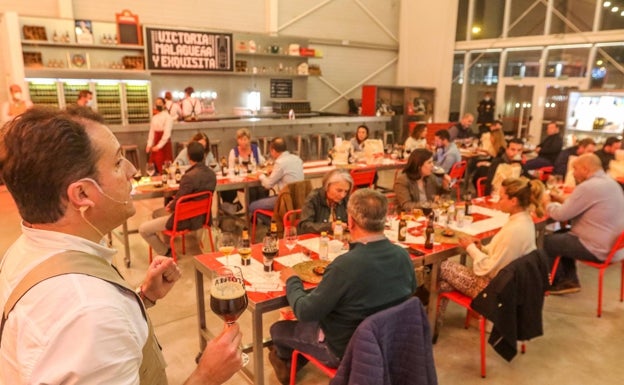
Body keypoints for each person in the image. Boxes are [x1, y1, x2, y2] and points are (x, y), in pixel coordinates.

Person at [0, 107, 242, 384]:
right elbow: (88, 321)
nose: (132, 170)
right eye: (117, 163)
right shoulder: (88, 312)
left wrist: (143, 297)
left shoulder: (24, 251)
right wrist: (207, 375)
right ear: (82, 194)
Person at [269, 189, 416, 384]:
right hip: (388, 341)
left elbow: (305, 311)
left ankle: (286, 363)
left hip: (345, 350)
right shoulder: (403, 255)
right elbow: (411, 292)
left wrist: (292, 280)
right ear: (384, 219)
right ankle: (297, 357)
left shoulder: (345, 265)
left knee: (278, 329)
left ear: (351, 221)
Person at [437, 177, 544, 334]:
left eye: (501, 197)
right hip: (513, 286)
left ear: (513, 201)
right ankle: (432, 324)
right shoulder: (523, 220)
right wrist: (482, 248)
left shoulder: (515, 229)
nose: (498, 201)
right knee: (442, 285)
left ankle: (432, 325)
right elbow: (501, 254)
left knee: (443, 266)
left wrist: (471, 248)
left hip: (498, 291)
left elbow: (488, 269)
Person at [544, 153, 624, 294]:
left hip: (597, 248)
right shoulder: (610, 183)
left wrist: (547, 203)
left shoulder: (588, 186)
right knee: (562, 236)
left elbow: (560, 215)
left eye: (575, 169)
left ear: (585, 169)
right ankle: (569, 281)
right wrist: (560, 199)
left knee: (546, 241)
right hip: (615, 248)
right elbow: (579, 206)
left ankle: (556, 282)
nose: (573, 173)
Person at [140, 141, 216, 257]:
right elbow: (186, 198)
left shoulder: (188, 177)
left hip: (185, 220)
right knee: (160, 213)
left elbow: (177, 202)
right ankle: (168, 245)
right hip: (203, 218)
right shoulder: (211, 174)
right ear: (204, 155)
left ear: (188, 156)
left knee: (144, 228)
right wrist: (175, 203)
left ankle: (166, 251)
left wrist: (171, 205)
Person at [248, 137, 304, 215]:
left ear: (273, 151)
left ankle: (274, 222)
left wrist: (261, 175)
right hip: (300, 198)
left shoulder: (280, 162)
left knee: (252, 206)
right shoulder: (297, 159)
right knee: (266, 199)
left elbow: (268, 185)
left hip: (285, 199)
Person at [221, 128, 267, 211]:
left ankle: (261, 213)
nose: (243, 142)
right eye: (240, 139)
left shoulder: (255, 149)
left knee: (262, 189)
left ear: (249, 139)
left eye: (245, 139)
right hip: (241, 180)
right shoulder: (233, 152)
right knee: (252, 191)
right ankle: (252, 214)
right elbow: (231, 169)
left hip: (254, 178)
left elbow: (261, 163)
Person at [298, 169, 353, 235]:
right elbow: (304, 226)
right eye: (339, 190)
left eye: (346, 191)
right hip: (316, 239)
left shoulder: (346, 198)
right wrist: (329, 226)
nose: (342, 195)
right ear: (327, 186)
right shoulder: (314, 198)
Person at [146, 97, 174, 173]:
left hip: (164, 144)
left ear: (164, 105)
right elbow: (151, 132)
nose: (158, 105)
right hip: (156, 142)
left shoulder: (168, 117)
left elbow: (167, 134)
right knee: (153, 164)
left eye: (160, 103)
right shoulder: (154, 118)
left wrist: (159, 146)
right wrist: (149, 144)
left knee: (165, 165)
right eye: (157, 104)